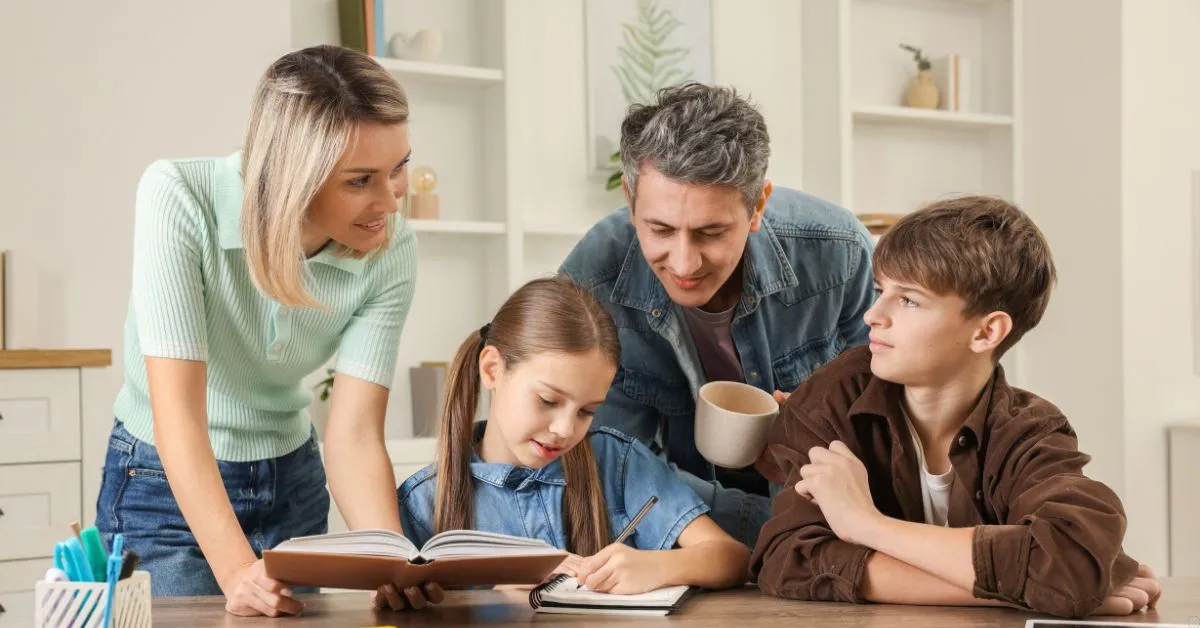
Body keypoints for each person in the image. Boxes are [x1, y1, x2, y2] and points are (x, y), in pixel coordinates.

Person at [96, 45, 438, 616]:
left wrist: (391, 560)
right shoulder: (179, 197)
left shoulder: (392, 248)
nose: (388, 200)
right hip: (163, 481)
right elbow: (177, 415)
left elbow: (352, 436)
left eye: (398, 168)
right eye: (360, 181)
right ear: (293, 178)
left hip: (291, 479)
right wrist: (236, 571)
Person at [749, 196, 1162, 617]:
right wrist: (1017, 589)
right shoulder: (835, 395)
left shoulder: (1030, 429)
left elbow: (1072, 560)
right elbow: (789, 558)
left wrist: (867, 524)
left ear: (987, 332)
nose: (873, 314)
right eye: (880, 291)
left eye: (908, 300)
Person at [559, 82, 875, 548]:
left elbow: (886, 423)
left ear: (757, 206)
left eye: (711, 232)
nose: (684, 264)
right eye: (660, 229)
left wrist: (811, 431)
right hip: (685, 540)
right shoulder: (592, 281)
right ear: (630, 200)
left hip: (822, 524)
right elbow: (609, 468)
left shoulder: (836, 254)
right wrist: (760, 528)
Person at [397, 277, 749, 594]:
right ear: (492, 370)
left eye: (586, 411)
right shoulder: (424, 502)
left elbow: (730, 557)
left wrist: (657, 566)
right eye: (548, 400)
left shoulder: (618, 463)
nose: (565, 430)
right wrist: (494, 602)